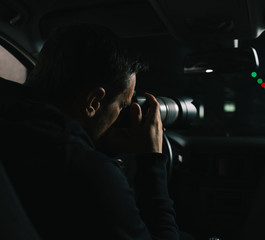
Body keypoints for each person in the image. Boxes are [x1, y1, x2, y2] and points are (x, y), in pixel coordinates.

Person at [0, 24, 179, 240]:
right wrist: (152, 163)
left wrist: (99, 146)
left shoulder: (13, 120)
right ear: (94, 101)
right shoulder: (83, 168)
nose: (123, 114)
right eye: (123, 106)